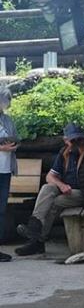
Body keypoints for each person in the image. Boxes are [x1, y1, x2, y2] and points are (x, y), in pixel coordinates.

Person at [14, 123, 84, 257]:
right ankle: (35, 227)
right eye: (73, 140)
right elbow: (50, 176)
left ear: (83, 138)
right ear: (66, 140)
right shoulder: (64, 153)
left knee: (55, 202)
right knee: (48, 188)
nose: (76, 142)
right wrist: (61, 185)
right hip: (69, 192)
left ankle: (37, 240)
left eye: (79, 139)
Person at [0, 88, 17, 262]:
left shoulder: (7, 120)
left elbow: (15, 136)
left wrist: (13, 144)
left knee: (1, 210)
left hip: (5, 170)